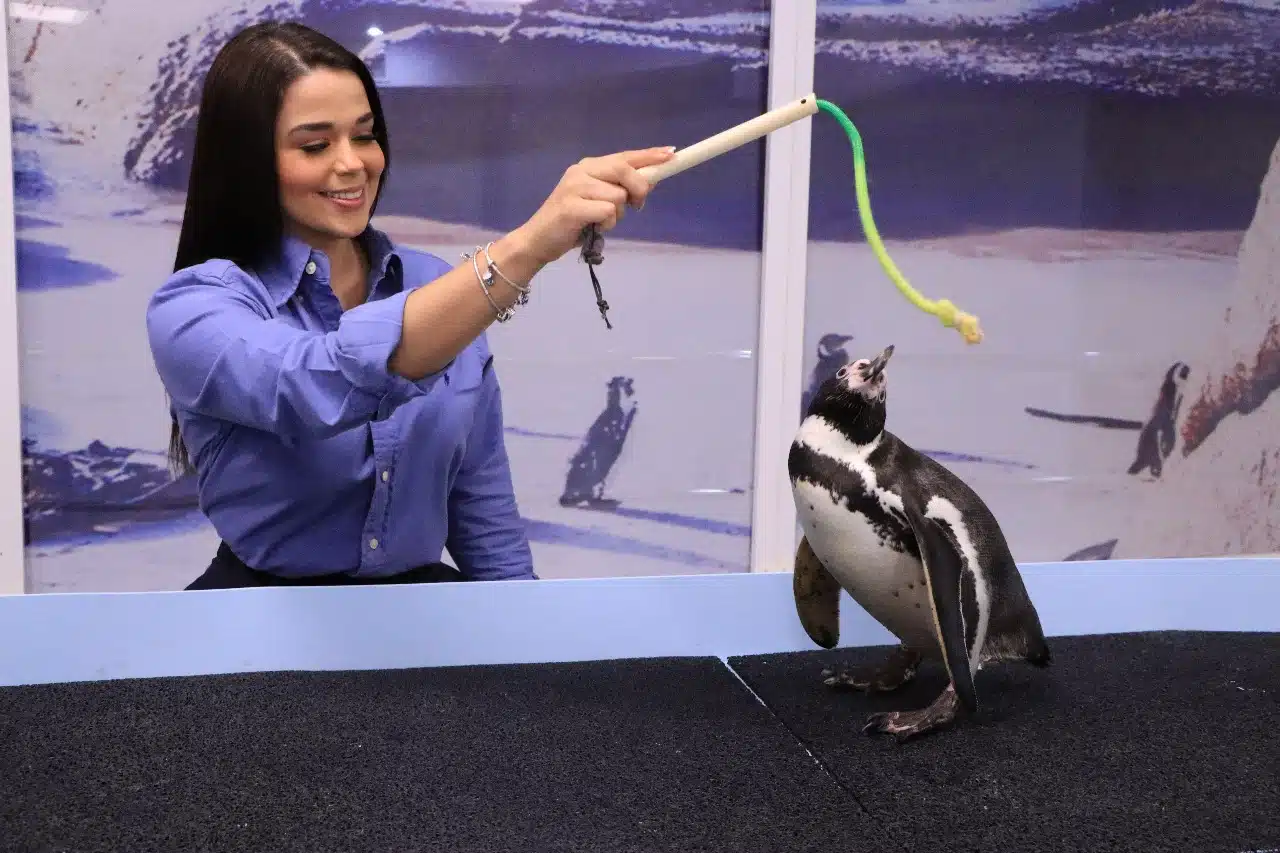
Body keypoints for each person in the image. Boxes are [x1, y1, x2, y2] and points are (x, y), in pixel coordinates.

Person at [145, 21, 675, 590]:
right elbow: (312, 383)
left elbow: (480, 497)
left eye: (365, 135)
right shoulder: (194, 310)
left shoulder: (433, 283)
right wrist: (526, 248)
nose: (353, 163)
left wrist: (526, 639)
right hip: (261, 632)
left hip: (427, 623)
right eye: (315, 145)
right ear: (247, 161)